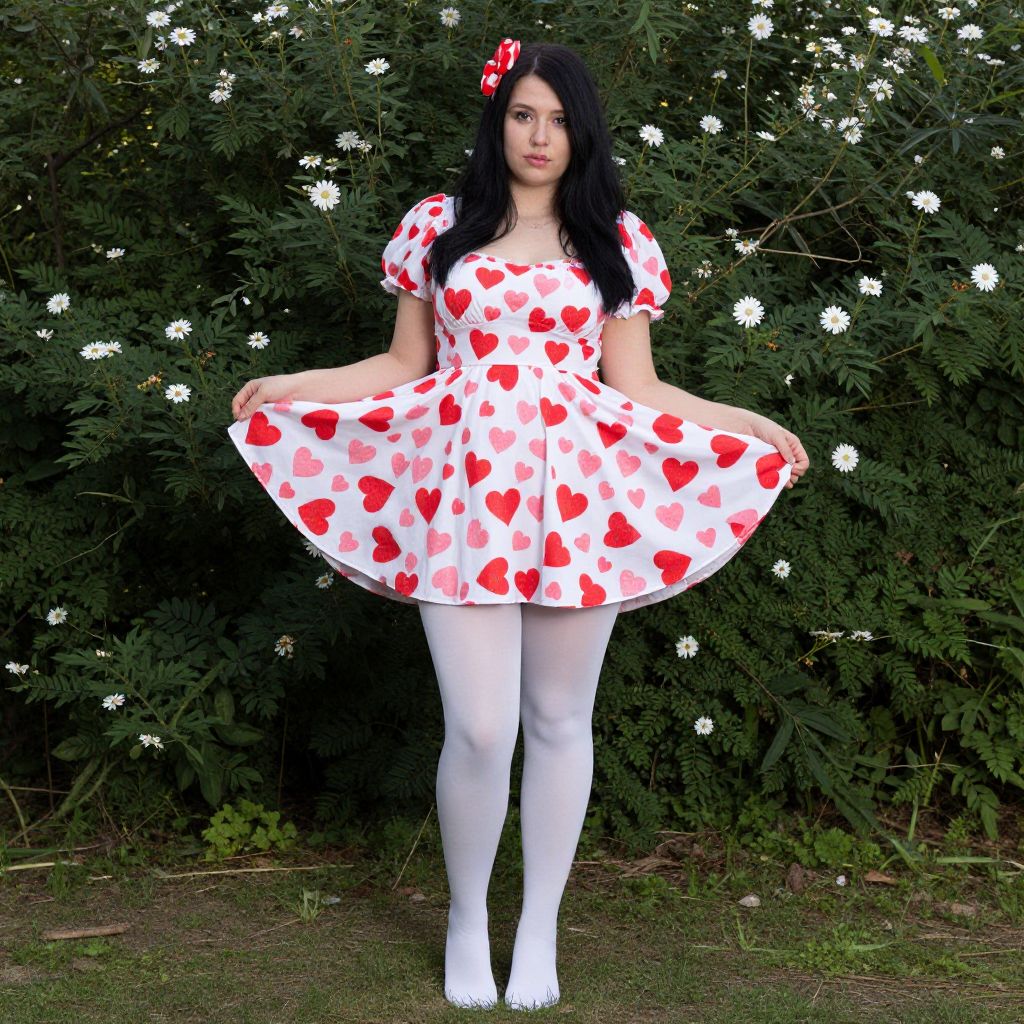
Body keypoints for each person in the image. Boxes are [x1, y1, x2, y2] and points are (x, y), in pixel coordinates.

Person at [228, 38, 808, 1012]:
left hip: (576, 498)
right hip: (459, 496)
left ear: (582, 131)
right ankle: (466, 917)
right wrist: (289, 384)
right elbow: (400, 367)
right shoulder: (439, 226)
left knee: (555, 718)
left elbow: (640, 386)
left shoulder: (613, 238)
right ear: (498, 121)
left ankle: (536, 924)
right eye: (522, 114)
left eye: (558, 118)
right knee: (483, 724)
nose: (540, 136)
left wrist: (743, 421)